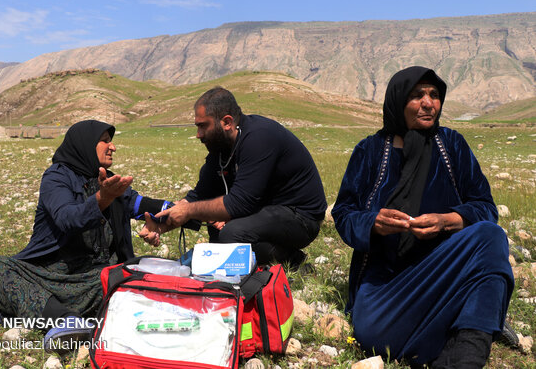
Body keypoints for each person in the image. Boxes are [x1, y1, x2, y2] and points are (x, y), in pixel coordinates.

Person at [331, 66, 514, 367]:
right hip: (385, 284)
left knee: (490, 237)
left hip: (445, 270)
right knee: (371, 333)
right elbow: (344, 214)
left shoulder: (452, 145)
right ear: (398, 101)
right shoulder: (371, 150)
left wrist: (447, 221)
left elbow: (485, 206)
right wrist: (373, 223)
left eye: (434, 95)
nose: (428, 103)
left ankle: (466, 354)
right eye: (417, 95)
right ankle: (468, 320)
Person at [0, 120, 171, 353]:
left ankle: (10, 309)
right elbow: (68, 218)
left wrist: (193, 211)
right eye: (105, 141)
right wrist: (102, 199)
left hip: (97, 281)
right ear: (85, 144)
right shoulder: (56, 178)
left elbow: (144, 205)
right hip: (52, 276)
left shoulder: (109, 181)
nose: (113, 147)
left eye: (112, 141)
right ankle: (66, 321)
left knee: (149, 267)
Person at [154, 87, 327, 268]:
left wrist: (190, 211)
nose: (198, 134)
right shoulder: (221, 145)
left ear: (227, 122)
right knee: (216, 219)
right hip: (266, 209)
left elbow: (240, 203)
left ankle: (293, 261)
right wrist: (161, 225)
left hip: (301, 217)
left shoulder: (259, 137)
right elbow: (199, 195)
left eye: (203, 126)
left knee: (232, 233)